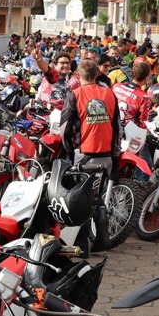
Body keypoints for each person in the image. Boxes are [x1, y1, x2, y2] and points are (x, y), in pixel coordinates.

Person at [59, 59, 121, 253]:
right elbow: (118, 126)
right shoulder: (110, 94)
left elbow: (65, 128)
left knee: (83, 200)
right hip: (106, 155)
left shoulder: (75, 94)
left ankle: (82, 244)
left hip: (84, 153)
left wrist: (69, 150)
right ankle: (103, 238)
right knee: (97, 196)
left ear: (77, 76)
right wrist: (116, 154)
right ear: (97, 75)